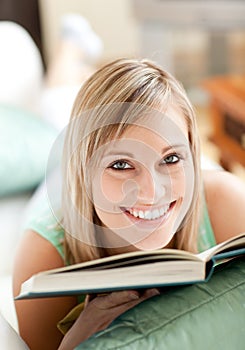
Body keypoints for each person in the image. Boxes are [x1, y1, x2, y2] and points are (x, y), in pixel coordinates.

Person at [13, 58, 245, 350]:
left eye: (171, 158)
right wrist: (74, 344)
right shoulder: (43, 252)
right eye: (121, 164)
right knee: (57, 104)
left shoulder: (226, 201)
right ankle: (70, 50)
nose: (151, 192)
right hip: (61, 184)